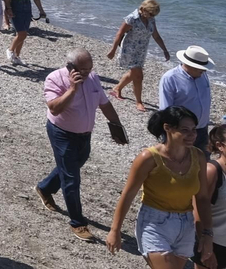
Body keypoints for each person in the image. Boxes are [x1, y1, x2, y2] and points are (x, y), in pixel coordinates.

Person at [35, 47, 128, 241]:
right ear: (70, 67)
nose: (87, 74)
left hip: (84, 135)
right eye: (83, 70)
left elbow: (105, 104)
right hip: (62, 133)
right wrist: (72, 89)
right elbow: (54, 108)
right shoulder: (54, 78)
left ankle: (44, 188)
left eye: (90, 69)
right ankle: (77, 222)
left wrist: (116, 127)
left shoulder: (93, 78)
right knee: (71, 178)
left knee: (73, 165)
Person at [105, 106, 214, 267]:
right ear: (167, 128)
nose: (192, 135)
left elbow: (203, 198)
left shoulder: (198, 156)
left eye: (194, 129)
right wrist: (115, 230)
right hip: (154, 223)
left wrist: (207, 234)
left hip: (186, 225)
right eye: (185, 130)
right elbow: (128, 195)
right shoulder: (148, 158)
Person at [111, 0, 170, 111]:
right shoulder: (132, 19)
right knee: (138, 76)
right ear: (143, 9)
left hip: (141, 52)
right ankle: (139, 102)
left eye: (154, 14)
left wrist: (165, 50)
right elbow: (119, 34)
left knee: (133, 74)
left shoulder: (151, 19)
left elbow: (156, 36)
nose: (152, 16)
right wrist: (113, 50)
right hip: (129, 50)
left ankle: (117, 88)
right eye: (151, 13)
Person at [158, 47, 214, 152]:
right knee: (177, 161)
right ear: (189, 64)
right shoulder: (170, 78)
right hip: (181, 131)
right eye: (201, 67)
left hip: (202, 129)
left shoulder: (203, 75)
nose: (204, 70)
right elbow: (166, 110)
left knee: (202, 161)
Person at [6, 0, 48, 65]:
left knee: (23, 33)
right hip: (16, 6)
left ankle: (17, 56)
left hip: (27, 6)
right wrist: (8, 9)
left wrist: (41, 10)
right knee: (22, 33)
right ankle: (10, 50)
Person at [201, 126, 226, 267]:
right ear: (219, 146)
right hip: (214, 242)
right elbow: (197, 208)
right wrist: (205, 245)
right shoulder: (211, 171)